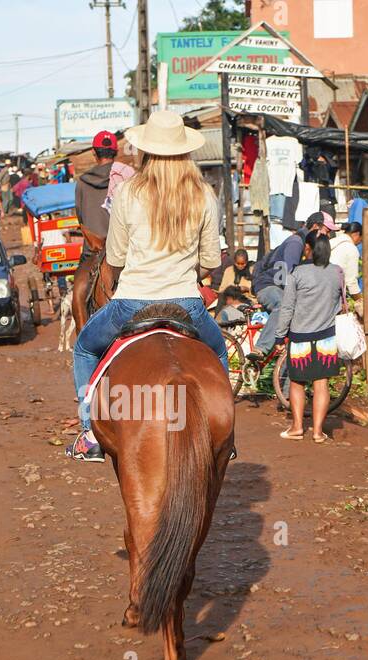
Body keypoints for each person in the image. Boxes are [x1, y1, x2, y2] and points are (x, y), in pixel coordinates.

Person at [67, 110, 230, 463]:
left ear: (146, 152)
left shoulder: (129, 192)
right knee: (218, 353)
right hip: (187, 304)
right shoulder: (203, 194)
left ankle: (88, 433)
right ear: (185, 152)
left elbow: (117, 255)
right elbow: (211, 261)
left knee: (83, 348)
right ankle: (226, 437)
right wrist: (186, 267)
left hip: (131, 303)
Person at [271, 233, 344, 443]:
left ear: (308, 249)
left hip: (300, 338)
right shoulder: (337, 272)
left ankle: (297, 428)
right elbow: (339, 304)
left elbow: (287, 308)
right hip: (327, 338)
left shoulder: (298, 273)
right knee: (322, 384)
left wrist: (279, 336)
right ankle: (318, 432)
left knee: (297, 383)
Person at [249, 211, 335, 359]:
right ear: (315, 227)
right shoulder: (296, 243)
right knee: (284, 305)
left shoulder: (309, 246)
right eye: (327, 231)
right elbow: (289, 277)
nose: (328, 236)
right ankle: (261, 348)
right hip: (268, 286)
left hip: (279, 286)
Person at [75, 130, 118, 244]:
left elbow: (81, 219)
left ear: (94, 152)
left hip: (93, 251)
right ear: (116, 152)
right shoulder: (125, 177)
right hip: (121, 249)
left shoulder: (82, 182)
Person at [329, 221, 363, 303]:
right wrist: (361, 301)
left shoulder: (332, 241)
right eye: (361, 239)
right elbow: (351, 282)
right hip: (332, 292)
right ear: (356, 234)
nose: (360, 242)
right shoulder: (351, 249)